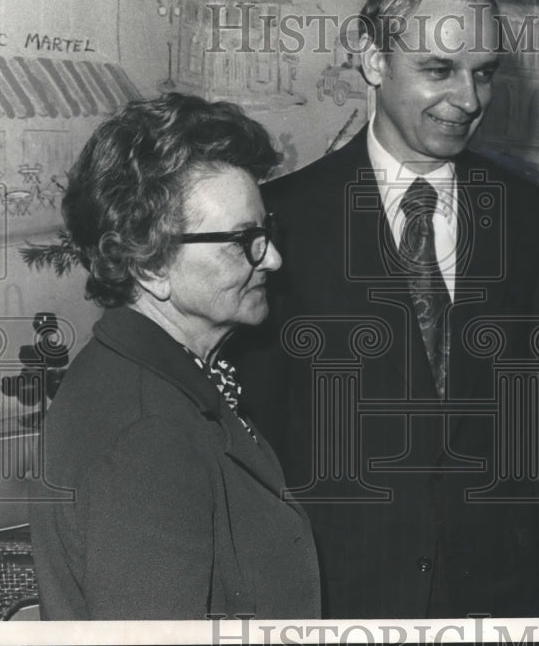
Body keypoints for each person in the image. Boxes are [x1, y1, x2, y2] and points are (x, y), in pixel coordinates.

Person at [234, 0, 539, 618]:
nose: (469, 100)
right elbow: (258, 441)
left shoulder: (529, 220)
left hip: (491, 599)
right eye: (439, 70)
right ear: (373, 58)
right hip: (334, 598)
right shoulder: (284, 221)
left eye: (484, 74)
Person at [28, 94, 320, 619]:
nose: (272, 257)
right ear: (149, 264)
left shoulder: (157, 378)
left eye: (266, 231)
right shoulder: (147, 434)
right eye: (242, 241)